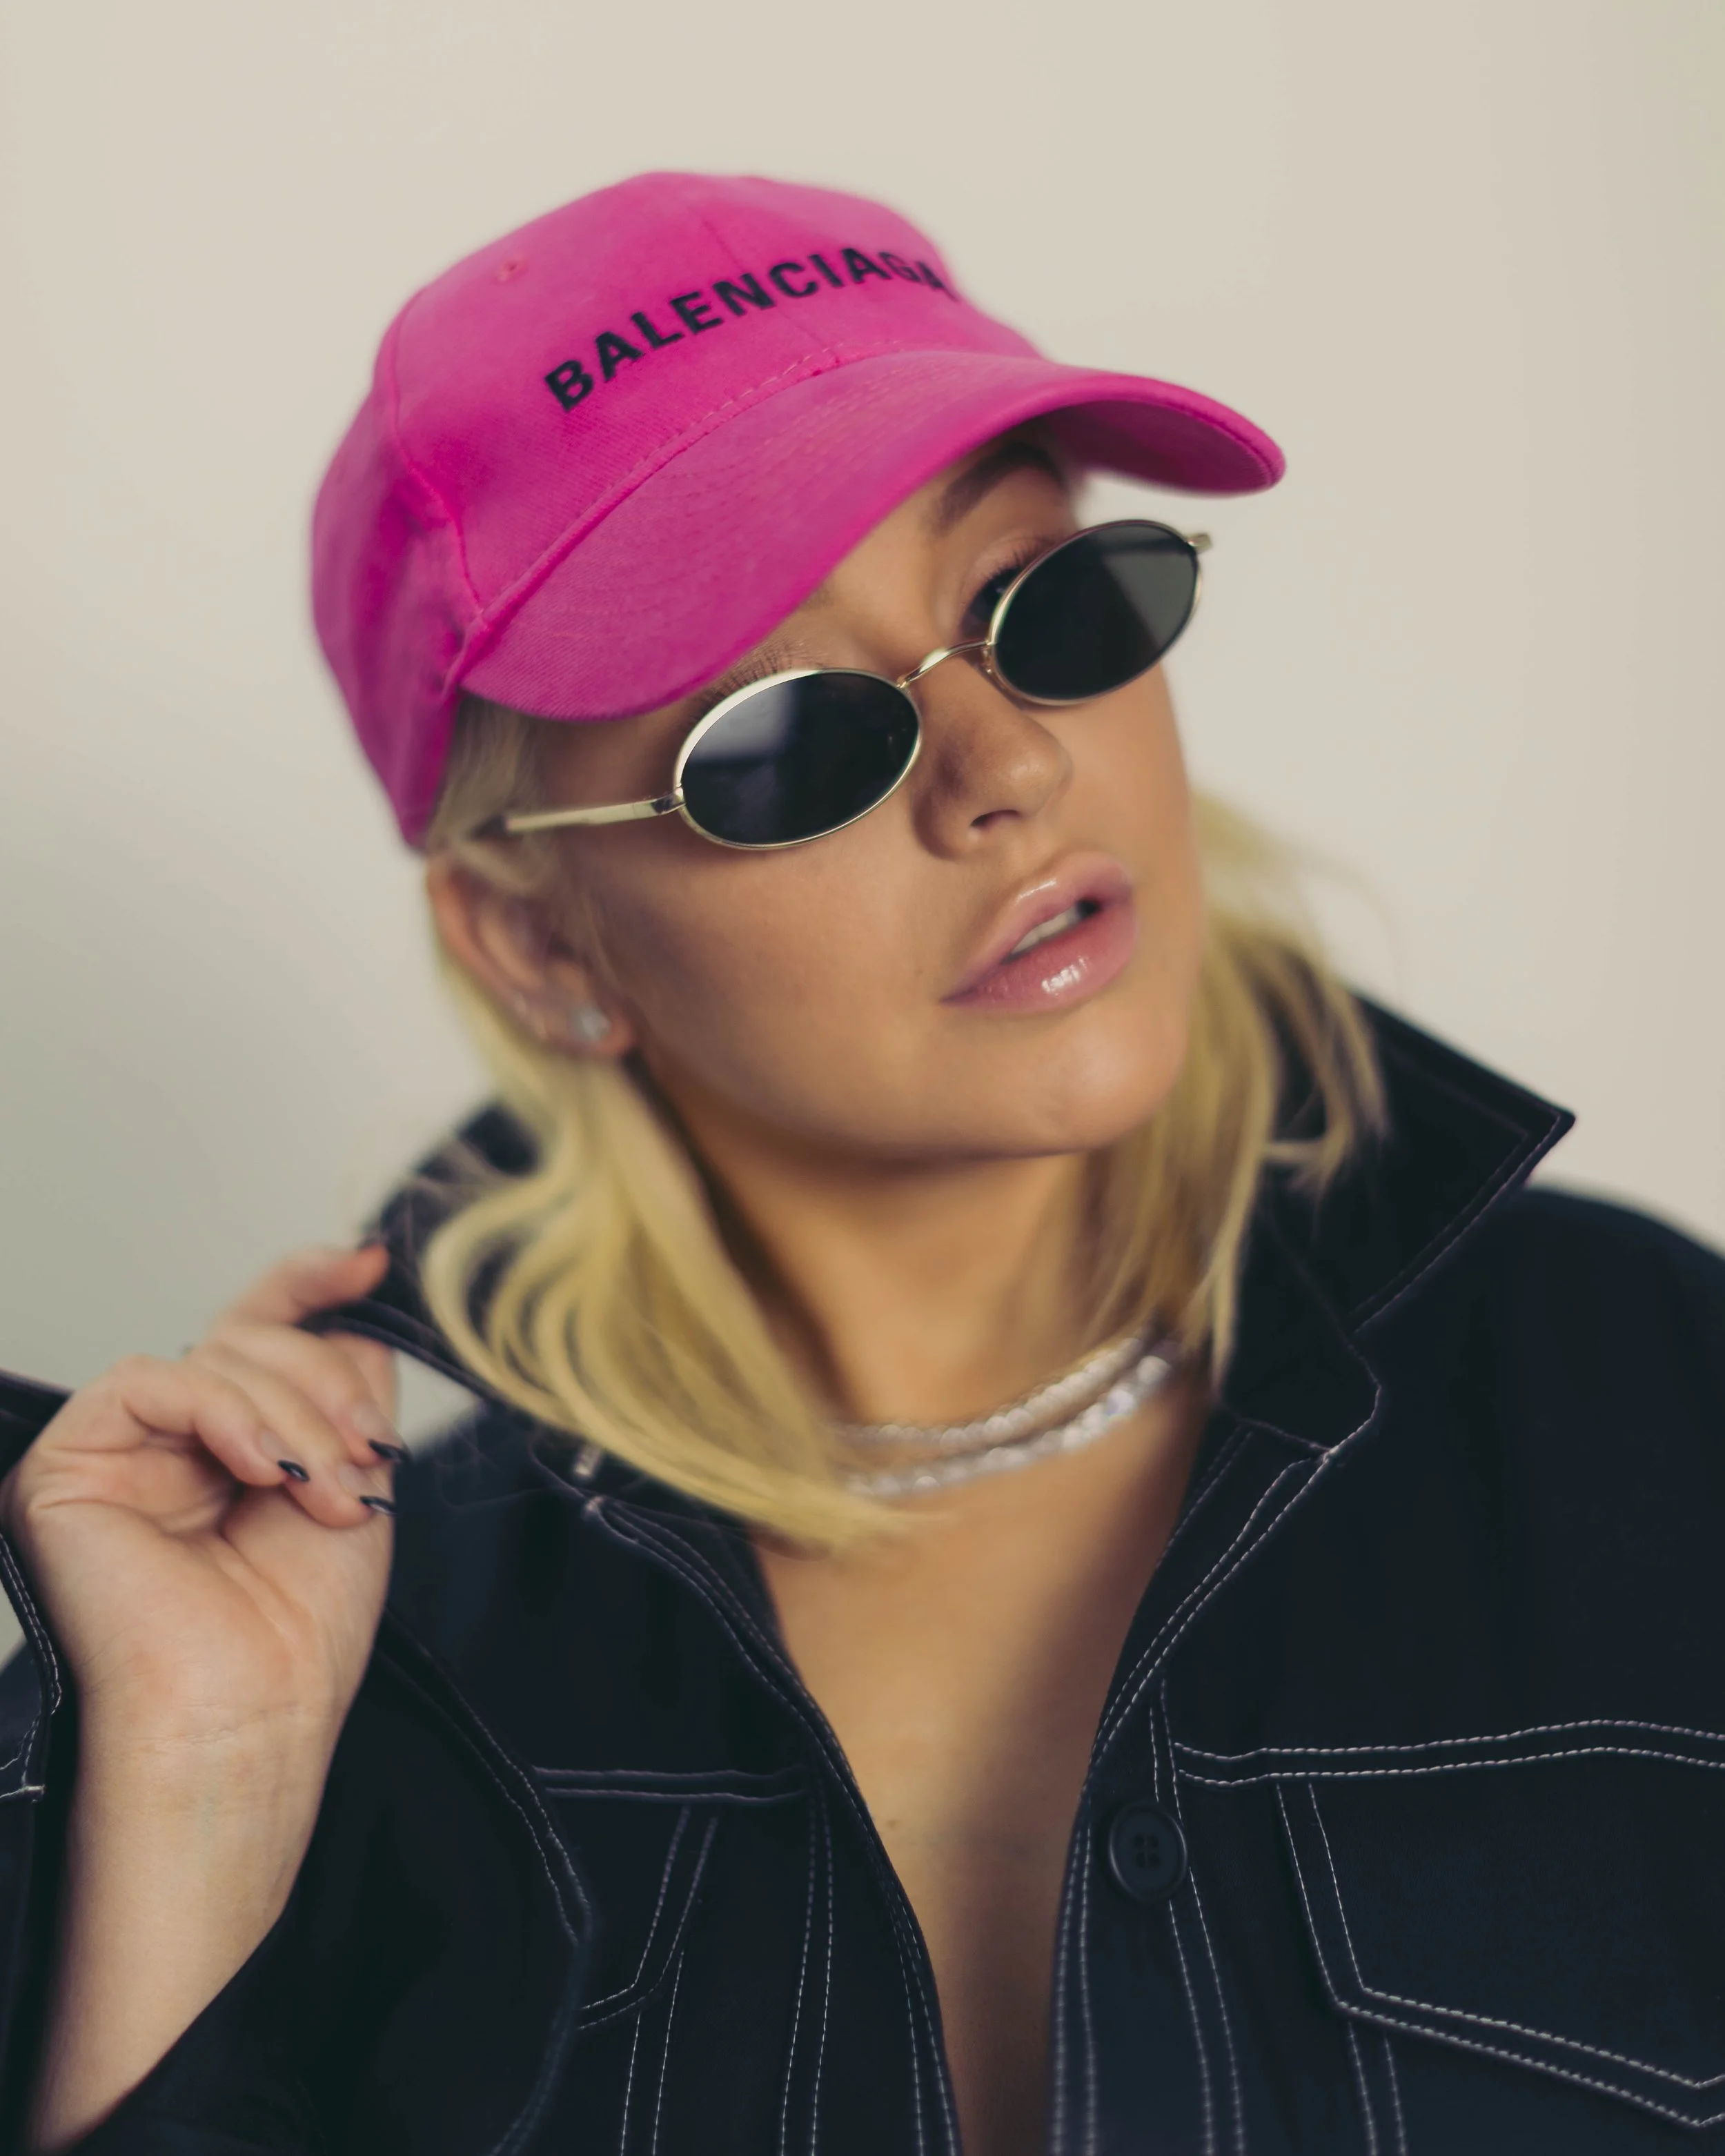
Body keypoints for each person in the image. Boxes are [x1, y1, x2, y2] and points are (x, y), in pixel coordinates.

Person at [1, 172, 1721, 2156]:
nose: (1009, 768)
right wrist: (202, 1788)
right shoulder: (371, 1675)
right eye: (790, 739)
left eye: (1047, 604)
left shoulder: (1652, 1401)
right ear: (542, 943)